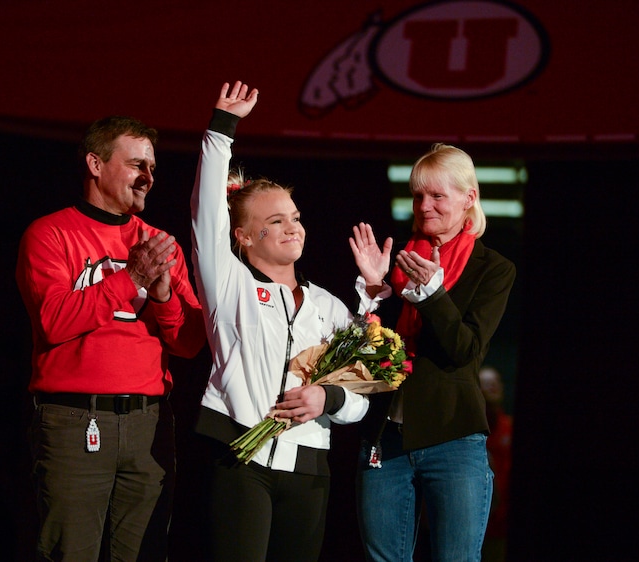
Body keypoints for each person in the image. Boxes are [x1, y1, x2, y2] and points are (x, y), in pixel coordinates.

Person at [189, 81, 392, 562]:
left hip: (310, 469)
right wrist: (222, 130)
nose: (292, 226)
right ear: (242, 236)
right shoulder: (229, 286)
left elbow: (362, 402)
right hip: (240, 456)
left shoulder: (329, 305)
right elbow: (205, 216)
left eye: (295, 217)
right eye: (275, 220)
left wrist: (329, 395)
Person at [15, 115, 206, 561]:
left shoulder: (159, 242)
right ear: (95, 164)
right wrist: (130, 277)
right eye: (137, 164)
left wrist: (161, 297)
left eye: (153, 168)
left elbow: (190, 344)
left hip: (149, 424)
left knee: (142, 553)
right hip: (74, 422)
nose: (148, 177)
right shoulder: (50, 233)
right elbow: (53, 322)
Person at [356, 144, 516, 562]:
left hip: (454, 437)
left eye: (437, 196)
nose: (424, 206)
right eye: (418, 196)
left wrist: (432, 295)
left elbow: (464, 349)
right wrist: (373, 292)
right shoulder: (398, 262)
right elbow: (365, 354)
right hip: (386, 439)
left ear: (469, 199)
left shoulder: (494, 268)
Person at [479, 365, 513, 562]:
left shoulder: (509, 427)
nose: (492, 387)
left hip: (501, 528)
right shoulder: (465, 432)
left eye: (495, 383)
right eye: (486, 383)